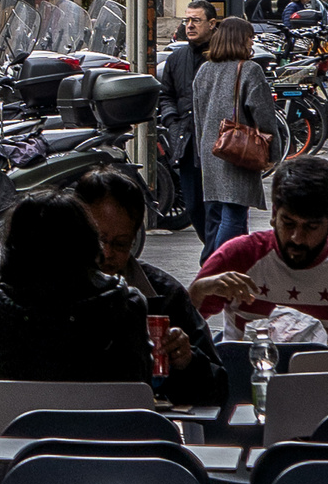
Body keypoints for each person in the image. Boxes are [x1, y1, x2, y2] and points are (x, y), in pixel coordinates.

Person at [0, 190, 152, 456]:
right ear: (88, 242)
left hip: (15, 467)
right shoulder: (127, 306)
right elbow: (143, 381)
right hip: (116, 461)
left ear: (13, 248)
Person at [74, 170, 227, 406]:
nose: (106, 253)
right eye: (97, 240)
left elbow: (218, 390)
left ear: (135, 240)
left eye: (120, 244)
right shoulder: (47, 292)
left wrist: (187, 360)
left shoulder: (164, 296)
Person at [190, 156, 328, 344]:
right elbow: (181, 329)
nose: (297, 238)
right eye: (288, 223)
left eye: (311, 227)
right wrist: (198, 292)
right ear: (274, 215)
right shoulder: (240, 255)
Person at [192, 17, 284, 262]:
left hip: (212, 149)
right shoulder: (249, 69)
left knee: (215, 213)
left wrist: (203, 152)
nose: (252, 41)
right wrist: (272, 153)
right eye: (250, 36)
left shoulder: (204, 69)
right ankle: (218, 264)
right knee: (234, 211)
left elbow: (198, 114)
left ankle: (230, 264)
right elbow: (263, 114)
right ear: (242, 39)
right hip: (238, 149)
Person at [158, 0, 218, 245]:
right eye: (187, 20)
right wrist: (172, 122)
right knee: (193, 205)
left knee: (216, 206)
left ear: (212, 24)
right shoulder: (177, 57)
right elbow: (166, 95)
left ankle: (215, 257)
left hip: (216, 143)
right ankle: (213, 251)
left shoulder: (220, 56)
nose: (189, 26)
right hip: (186, 139)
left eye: (196, 20)